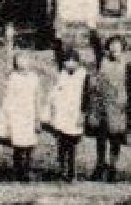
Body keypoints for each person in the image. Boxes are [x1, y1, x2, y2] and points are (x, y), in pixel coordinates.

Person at [86, 34, 130, 182]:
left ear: (122, 49)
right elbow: (96, 46)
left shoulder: (127, 65)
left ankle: (112, 168)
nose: (114, 48)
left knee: (115, 139)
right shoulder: (102, 61)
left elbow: (130, 86)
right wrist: (92, 30)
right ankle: (100, 166)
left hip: (118, 107)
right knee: (101, 138)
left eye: (117, 46)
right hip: (103, 107)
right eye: (112, 46)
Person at [0, 50, 41, 182]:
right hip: (16, 113)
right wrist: (6, 116)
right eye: (19, 60)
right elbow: (8, 98)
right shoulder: (13, 77)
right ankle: (18, 172)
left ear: (29, 61)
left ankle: (27, 170)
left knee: (30, 144)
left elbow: (37, 97)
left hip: (29, 112)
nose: (23, 63)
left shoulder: (34, 77)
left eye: (25, 60)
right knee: (18, 144)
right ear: (16, 62)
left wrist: (37, 117)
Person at [48, 48, 89, 181]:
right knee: (61, 143)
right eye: (67, 61)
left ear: (78, 62)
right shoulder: (62, 75)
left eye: (73, 61)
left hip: (75, 113)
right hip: (62, 113)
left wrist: (82, 114)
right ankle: (62, 170)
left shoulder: (83, 75)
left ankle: (71, 172)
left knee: (72, 144)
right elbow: (55, 93)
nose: (70, 64)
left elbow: (86, 96)